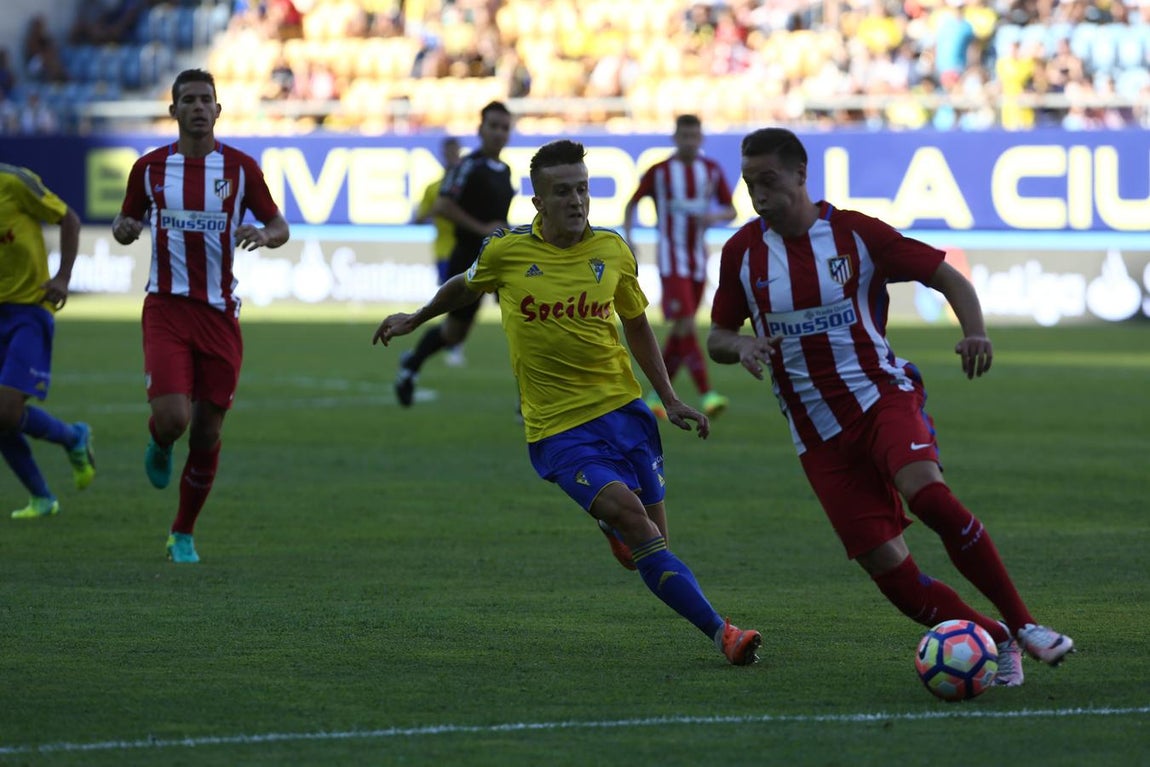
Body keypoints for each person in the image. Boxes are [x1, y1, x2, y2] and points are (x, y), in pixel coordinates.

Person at [706, 127, 1074, 686]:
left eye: (769, 180)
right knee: (889, 569)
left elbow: (946, 274)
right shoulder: (742, 253)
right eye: (750, 182)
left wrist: (975, 332)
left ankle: (1026, 626)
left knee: (927, 494)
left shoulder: (855, 234)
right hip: (816, 434)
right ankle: (994, 637)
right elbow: (717, 337)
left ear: (801, 176)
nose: (758, 193)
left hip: (881, 396)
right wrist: (742, 344)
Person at [374, 139, 762, 666]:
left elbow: (637, 322)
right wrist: (415, 318)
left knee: (649, 547)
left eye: (583, 188)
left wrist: (668, 398)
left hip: (626, 415)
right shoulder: (508, 252)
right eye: (562, 192)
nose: (576, 200)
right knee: (635, 523)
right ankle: (724, 633)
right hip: (559, 429)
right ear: (538, 203)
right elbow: (463, 288)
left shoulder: (612, 250)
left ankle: (614, 527)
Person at [112, 69, 290, 563]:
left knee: (208, 432)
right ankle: (160, 440)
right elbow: (126, 221)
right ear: (172, 111)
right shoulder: (148, 169)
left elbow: (279, 224)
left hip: (218, 314)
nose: (196, 107)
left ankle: (182, 531)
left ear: (217, 110)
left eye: (204, 100)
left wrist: (266, 235)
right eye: (187, 99)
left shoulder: (240, 170)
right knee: (173, 419)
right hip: (166, 307)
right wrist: (124, 229)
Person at [394, 101, 515, 407]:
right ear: (481, 129)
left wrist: (505, 232)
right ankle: (411, 364)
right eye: (494, 126)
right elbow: (444, 206)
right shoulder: (466, 167)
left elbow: (497, 219)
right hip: (468, 259)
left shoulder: (506, 171)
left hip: (502, 261)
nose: (499, 133)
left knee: (525, 320)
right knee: (454, 334)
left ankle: (529, 400)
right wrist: (482, 228)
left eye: (505, 127)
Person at [623, 114, 736, 421]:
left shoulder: (710, 171)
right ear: (675, 137)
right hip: (671, 261)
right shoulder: (659, 172)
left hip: (698, 262)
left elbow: (731, 208)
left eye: (693, 136)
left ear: (700, 139)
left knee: (681, 330)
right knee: (686, 324)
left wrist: (712, 218)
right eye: (683, 136)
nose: (688, 141)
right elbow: (631, 204)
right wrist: (629, 239)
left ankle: (655, 398)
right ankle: (707, 393)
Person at [0, 163, 96, 519]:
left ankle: (72, 437)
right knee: (0, 415)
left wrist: (63, 278)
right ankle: (42, 497)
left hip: (28, 309)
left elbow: (68, 218)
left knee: (5, 410)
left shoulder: (14, 182)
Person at [413, 135, 465, 367]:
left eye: (456, 151)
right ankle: (453, 345)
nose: (453, 156)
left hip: (469, 249)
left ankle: (453, 342)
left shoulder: (468, 185)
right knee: (455, 300)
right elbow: (418, 218)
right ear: (444, 154)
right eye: (449, 152)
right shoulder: (434, 188)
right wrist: (437, 211)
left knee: (466, 301)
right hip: (445, 252)